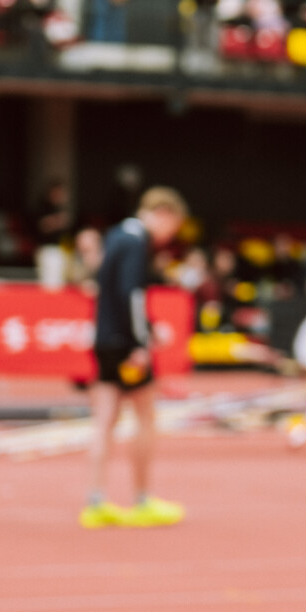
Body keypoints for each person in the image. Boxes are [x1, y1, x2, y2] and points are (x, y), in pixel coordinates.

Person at [80, 186, 190, 529]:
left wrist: (147, 329)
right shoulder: (135, 241)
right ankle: (142, 499)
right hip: (127, 345)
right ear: (163, 213)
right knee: (145, 417)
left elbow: (110, 291)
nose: (169, 237)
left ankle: (96, 501)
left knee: (104, 420)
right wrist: (141, 341)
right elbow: (132, 295)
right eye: (172, 228)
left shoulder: (116, 235)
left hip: (104, 338)